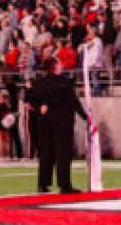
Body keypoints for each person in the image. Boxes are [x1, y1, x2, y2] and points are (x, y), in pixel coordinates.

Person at [33, 57, 87, 193]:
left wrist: (41, 106)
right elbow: (74, 101)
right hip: (62, 121)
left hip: (44, 121)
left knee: (46, 152)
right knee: (62, 153)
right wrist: (86, 116)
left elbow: (32, 101)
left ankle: (42, 184)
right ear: (55, 66)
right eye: (59, 63)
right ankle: (64, 185)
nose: (62, 64)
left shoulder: (39, 83)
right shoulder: (65, 83)